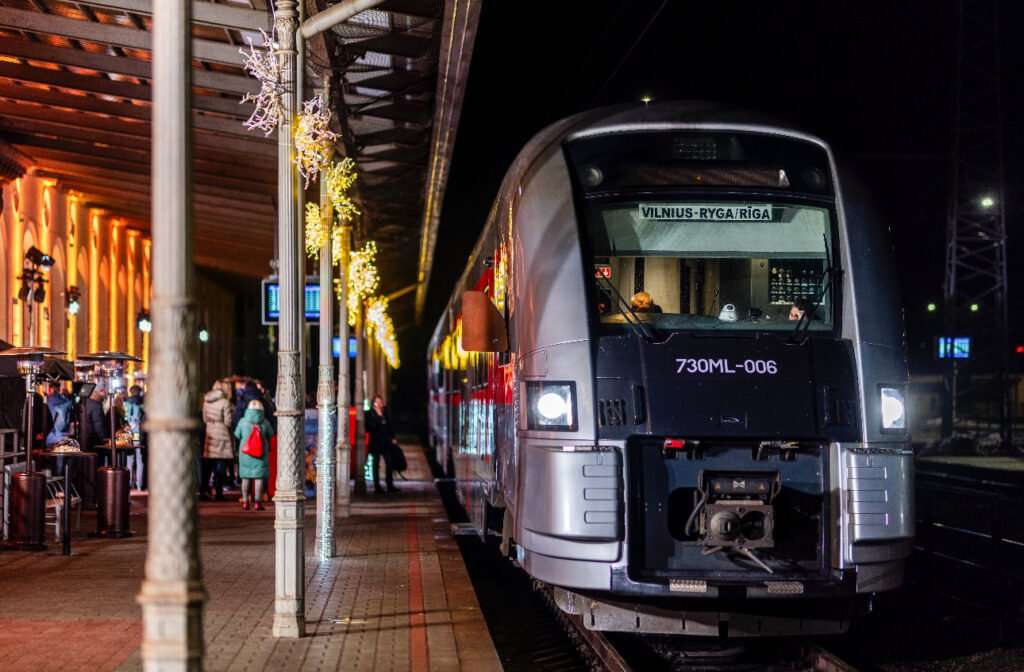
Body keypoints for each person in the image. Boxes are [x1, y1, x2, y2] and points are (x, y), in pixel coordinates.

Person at [234, 399, 274, 511]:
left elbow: (237, 434)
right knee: (259, 478)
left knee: (245, 478)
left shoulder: (242, 421)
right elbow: (271, 434)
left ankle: (245, 502)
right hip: (260, 453)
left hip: (245, 453)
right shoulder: (265, 422)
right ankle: (257, 502)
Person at [201, 380, 234, 501]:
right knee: (220, 465)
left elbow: (204, 419)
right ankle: (218, 493)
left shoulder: (206, 401)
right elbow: (228, 422)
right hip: (221, 434)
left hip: (209, 433)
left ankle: (203, 491)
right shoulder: (225, 402)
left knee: (207, 465)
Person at [365, 394, 398, 494]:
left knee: (389, 463)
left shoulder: (386, 412)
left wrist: (393, 437)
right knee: (376, 464)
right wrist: (379, 417)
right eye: (378, 401)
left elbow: (390, 426)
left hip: (386, 442)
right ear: (374, 403)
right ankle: (377, 486)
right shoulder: (369, 413)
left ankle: (390, 485)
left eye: (381, 401)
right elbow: (370, 427)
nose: (380, 404)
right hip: (375, 443)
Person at [123, 385, 145, 491]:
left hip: (129, 434)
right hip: (138, 434)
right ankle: (139, 484)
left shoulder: (125, 404)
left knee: (129, 459)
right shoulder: (142, 405)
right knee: (139, 459)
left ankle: (127, 483)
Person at [84, 383, 110, 457]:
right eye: (102, 392)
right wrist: (105, 440)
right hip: (95, 442)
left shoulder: (84, 403)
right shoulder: (96, 406)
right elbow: (99, 425)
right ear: (95, 393)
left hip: (85, 441)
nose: (104, 394)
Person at [45, 382, 73, 447]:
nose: (54, 390)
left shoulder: (51, 399)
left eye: (55, 388)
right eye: (53, 388)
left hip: (54, 432)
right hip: (59, 432)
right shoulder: (64, 399)